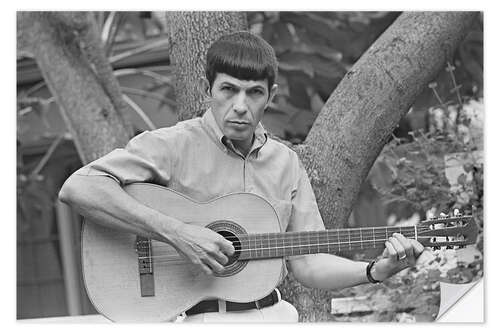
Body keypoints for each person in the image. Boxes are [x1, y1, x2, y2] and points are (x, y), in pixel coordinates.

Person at [59, 31, 425, 323]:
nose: (240, 105)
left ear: (270, 96)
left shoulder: (286, 163)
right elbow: (79, 188)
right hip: (198, 321)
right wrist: (177, 232)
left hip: (275, 316)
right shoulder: (171, 146)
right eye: (228, 89)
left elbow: (310, 264)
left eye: (254, 93)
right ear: (208, 91)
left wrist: (376, 270)